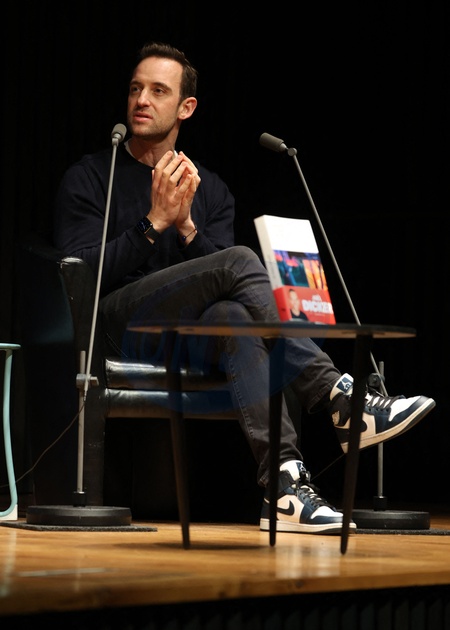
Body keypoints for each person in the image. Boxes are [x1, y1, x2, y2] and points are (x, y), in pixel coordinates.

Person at [53, 41, 436, 535]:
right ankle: (339, 396)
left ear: (186, 107)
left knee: (235, 316)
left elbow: (226, 285)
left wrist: (186, 228)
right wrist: (153, 223)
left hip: (190, 333)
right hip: (116, 326)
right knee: (239, 260)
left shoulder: (209, 189)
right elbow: (80, 271)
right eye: (135, 89)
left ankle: (285, 487)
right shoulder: (91, 174)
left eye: (158, 91)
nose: (141, 100)